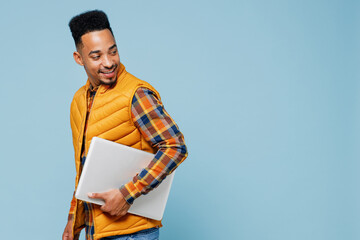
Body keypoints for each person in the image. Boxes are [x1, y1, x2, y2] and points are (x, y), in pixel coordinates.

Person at [62, 10, 188, 240]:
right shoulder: (79, 101)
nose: (109, 62)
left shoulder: (135, 94)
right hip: (95, 231)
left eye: (113, 51)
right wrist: (73, 219)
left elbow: (175, 146)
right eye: (96, 56)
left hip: (133, 232)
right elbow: (84, 167)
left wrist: (127, 194)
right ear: (78, 58)